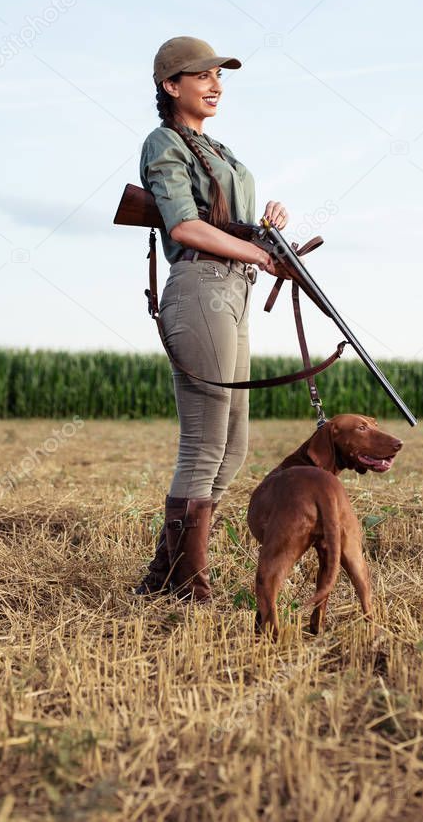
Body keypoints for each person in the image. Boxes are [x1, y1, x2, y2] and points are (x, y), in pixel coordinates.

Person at [133, 36, 289, 603]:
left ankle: (165, 575)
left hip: (235, 291)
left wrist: (265, 223)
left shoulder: (219, 150)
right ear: (172, 86)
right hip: (200, 285)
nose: (215, 83)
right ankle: (190, 586)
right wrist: (257, 254)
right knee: (204, 443)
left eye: (219, 74)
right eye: (201, 74)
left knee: (235, 445)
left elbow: (230, 222)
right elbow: (183, 226)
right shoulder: (164, 143)